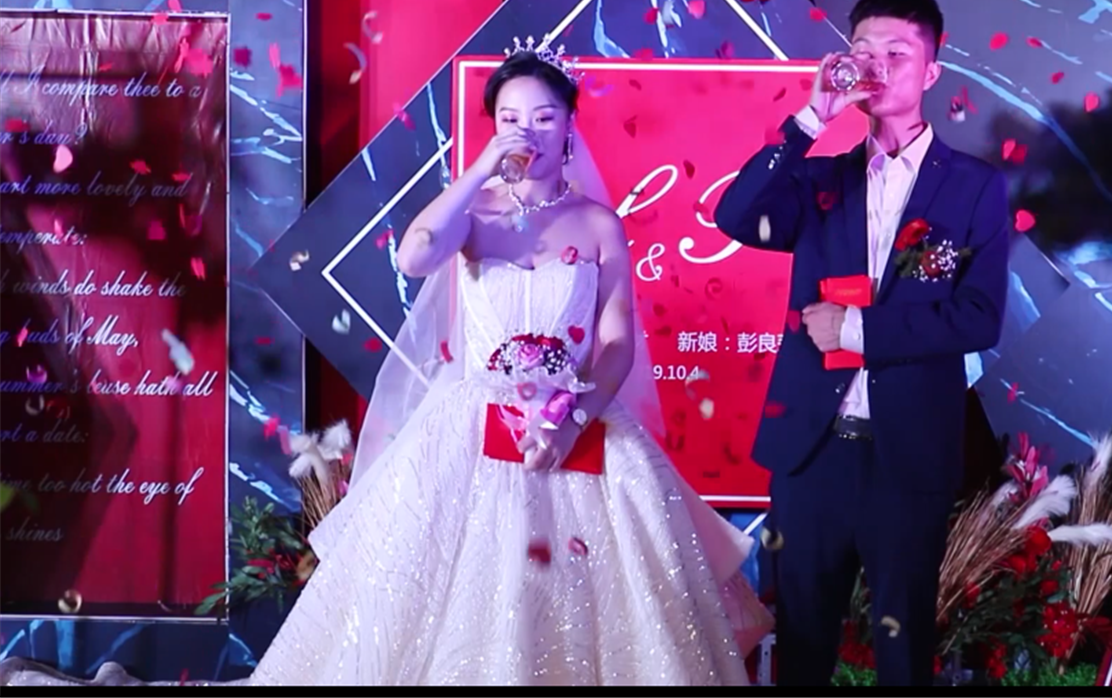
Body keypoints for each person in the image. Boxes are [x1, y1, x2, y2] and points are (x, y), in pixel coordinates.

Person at [0, 42, 771, 688]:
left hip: (575, 421)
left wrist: (571, 415)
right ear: (493, 127)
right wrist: (481, 171)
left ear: (570, 125)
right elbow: (414, 256)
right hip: (473, 427)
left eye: (544, 117)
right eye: (510, 118)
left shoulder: (598, 224)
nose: (528, 131)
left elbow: (616, 342)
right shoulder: (472, 213)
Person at [714, 0, 1009, 687]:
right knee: (802, 646)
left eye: (896, 53)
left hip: (907, 457)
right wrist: (811, 117)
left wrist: (857, 328)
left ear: (931, 72)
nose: (876, 66)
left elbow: (978, 315)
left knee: (902, 654)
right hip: (812, 452)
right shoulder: (820, 181)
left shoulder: (972, 186)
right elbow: (734, 215)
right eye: (863, 51)